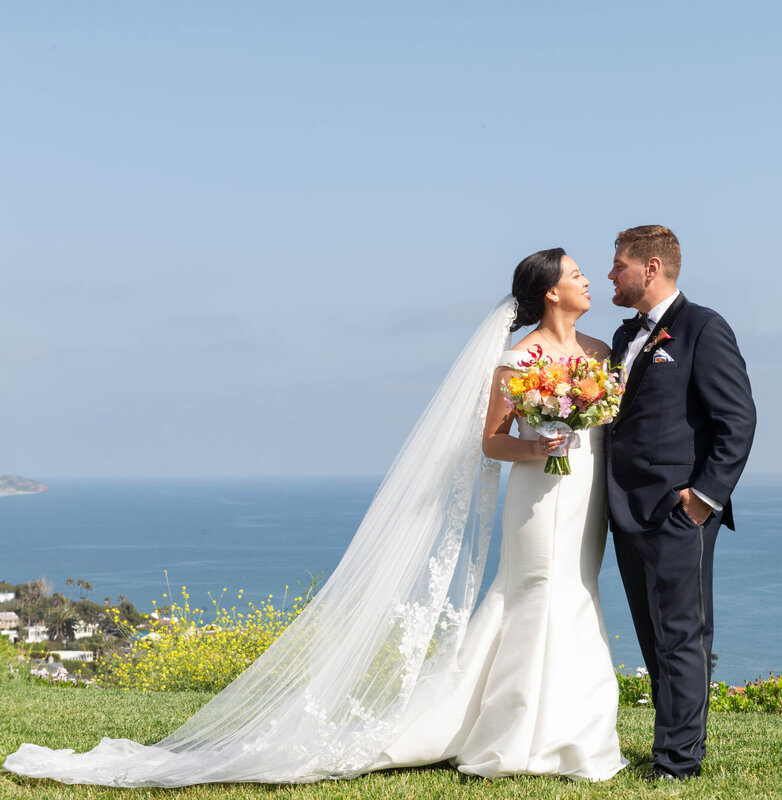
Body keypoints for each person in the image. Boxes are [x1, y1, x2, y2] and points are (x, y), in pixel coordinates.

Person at [3, 249, 626, 786]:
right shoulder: (519, 360)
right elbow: (491, 441)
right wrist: (537, 445)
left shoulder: (598, 352)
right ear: (551, 290)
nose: (588, 280)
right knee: (536, 594)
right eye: (576, 273)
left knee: (578, 590)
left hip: (585, 493)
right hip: (537, 495)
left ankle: (579, 727)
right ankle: (519, 734)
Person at [605, 225, 756, 781]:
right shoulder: (623, 339)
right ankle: (669, 747)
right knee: (653, 637)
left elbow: (736, 421)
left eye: (618, 264)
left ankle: (677, 764)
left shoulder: (704, 327)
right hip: (624, 512)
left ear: (650, 267)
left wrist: (704, 498)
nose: (610, 275)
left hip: (678, 511)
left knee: (683, 636)